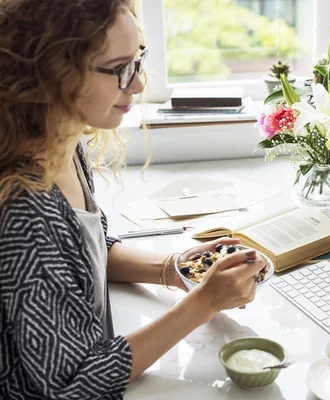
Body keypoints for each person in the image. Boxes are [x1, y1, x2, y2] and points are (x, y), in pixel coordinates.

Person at [0, 1, 265, 398]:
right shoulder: (24, 210)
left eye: (139, 60)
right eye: (120, 68)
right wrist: (204, 304)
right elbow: (71, 384)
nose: (138, 84)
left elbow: (82, 258)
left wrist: (173, 268)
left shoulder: (63, 145)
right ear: (55, 73)